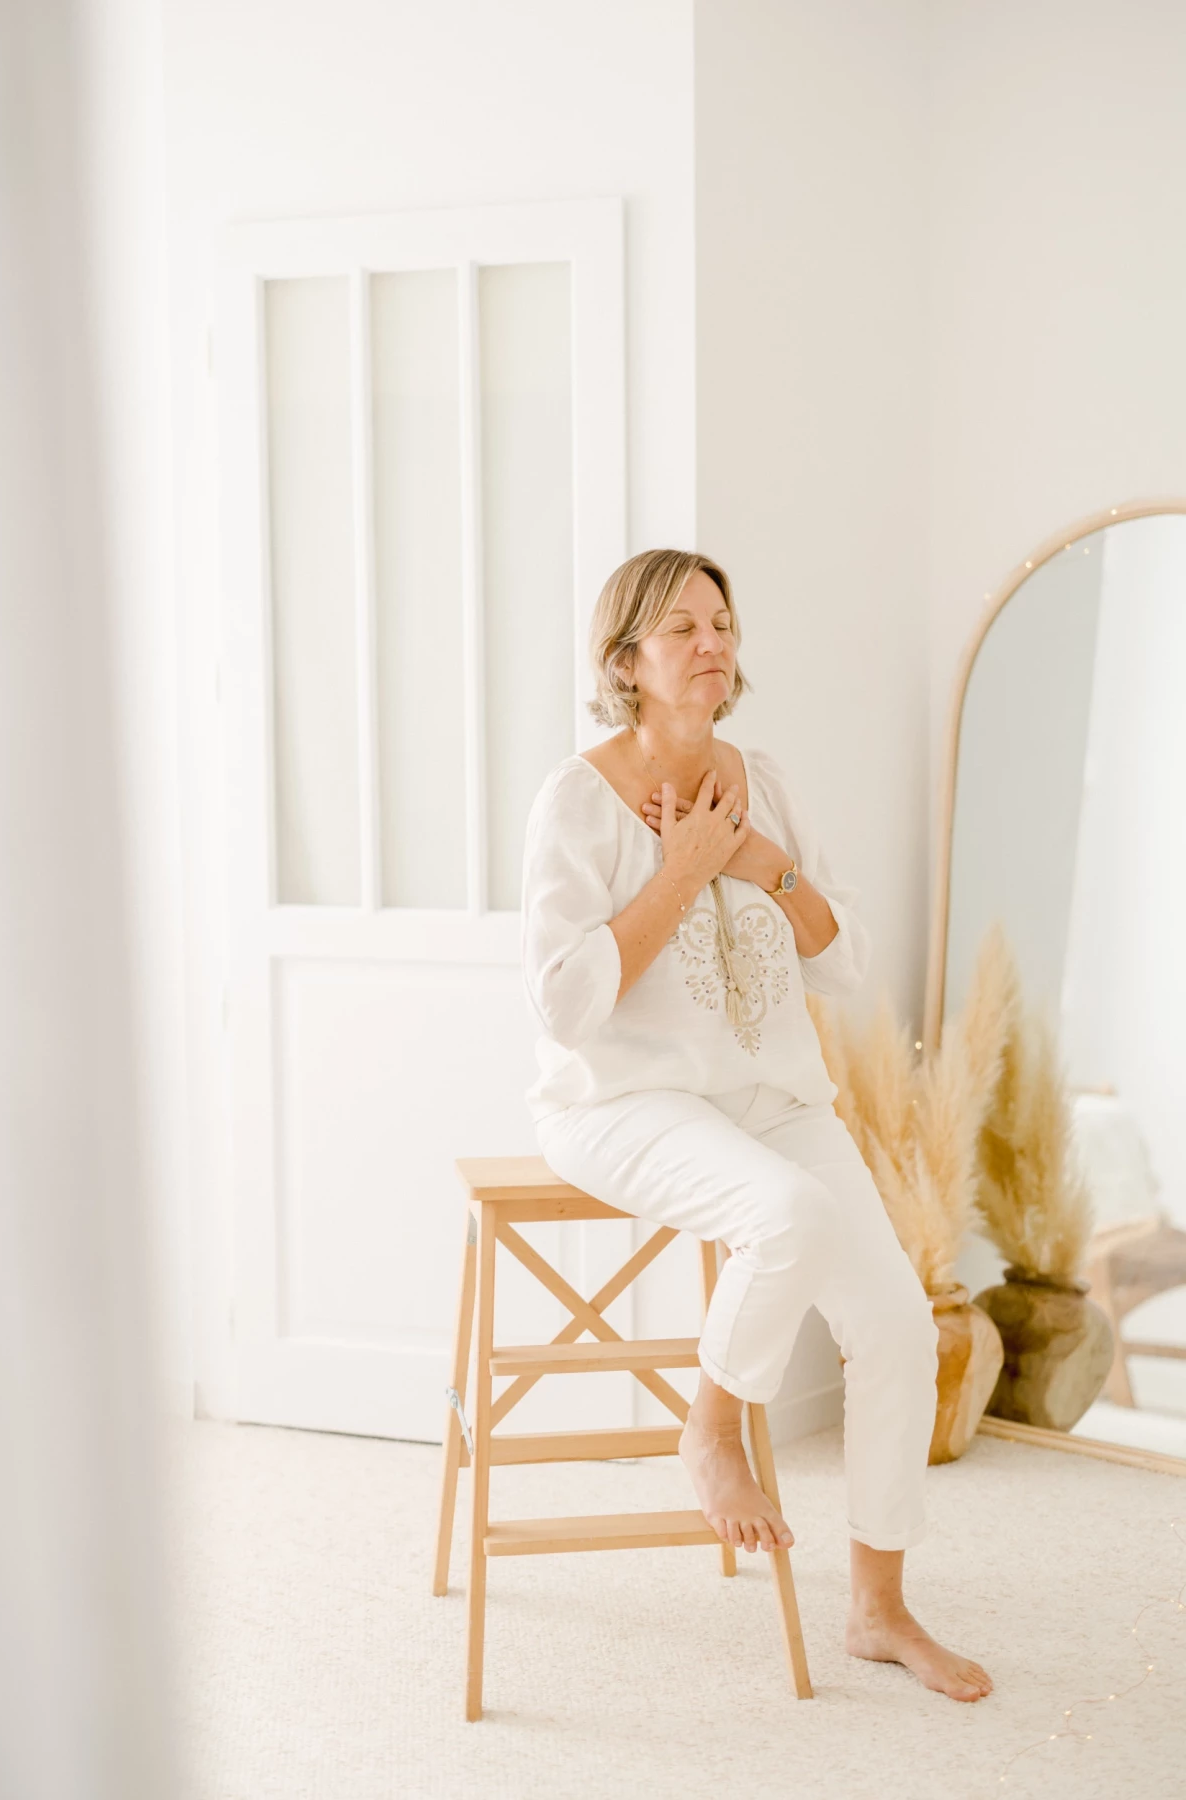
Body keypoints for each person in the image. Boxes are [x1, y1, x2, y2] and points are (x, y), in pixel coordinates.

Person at [519, 548, 993, 1703]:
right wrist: (681, 872)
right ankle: (713, 1429)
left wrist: (768, 870)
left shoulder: (763, 779)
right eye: (681, 628)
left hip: (773, 1097)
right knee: (787, 1215)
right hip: (626, 1103)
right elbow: (567, 1004)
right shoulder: (577, 800)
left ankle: (878, 1610)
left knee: (895, 1327)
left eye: (722, 623)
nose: (711, 643)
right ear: (625, 660)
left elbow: (848, 964)